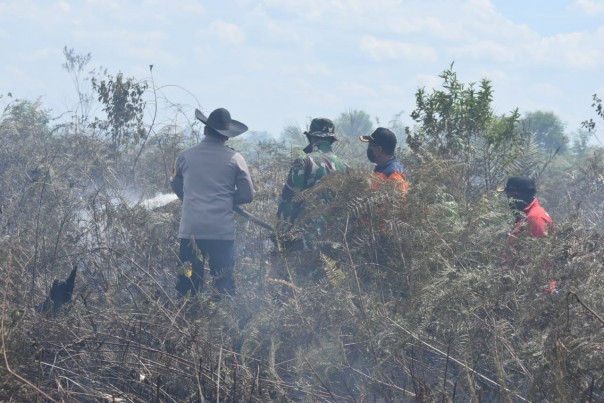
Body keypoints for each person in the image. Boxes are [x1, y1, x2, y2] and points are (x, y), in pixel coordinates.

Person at [170, 107, 254, 297]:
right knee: (223, 286)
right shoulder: (236, 159)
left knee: (187, 286)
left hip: (191, 232)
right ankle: (221, 325)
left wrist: (189, 198)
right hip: (221, 233)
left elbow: (175, 183)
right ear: (227, 136)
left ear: (205, 130)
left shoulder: (184, 156)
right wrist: (226, 199)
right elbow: (247, 195)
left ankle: (186, 321)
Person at [275, 118, 347, 249]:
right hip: (334, 238)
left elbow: (288, 198)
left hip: (303, 237)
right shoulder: (344, 166)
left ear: (311, 138)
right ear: (331, 140)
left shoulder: (303, 161)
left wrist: (280, 233)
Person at [500, 176, 552, 240]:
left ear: (517, 195)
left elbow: (541, 247)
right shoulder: (524, 214)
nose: (509, 200)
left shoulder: (535, 218)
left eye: (509, 195)